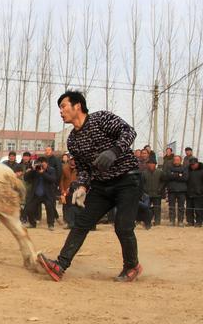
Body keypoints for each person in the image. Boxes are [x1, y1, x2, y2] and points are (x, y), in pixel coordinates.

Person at [38, 90, 143, 282]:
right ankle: (60, 265)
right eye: (59, 108)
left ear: (77, 105)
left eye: (63, 106)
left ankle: (132, 266)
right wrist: (83, 187)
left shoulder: (101, 118)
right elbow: (85, 168)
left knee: (123, 226)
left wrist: (114, 151)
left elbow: (129, 131)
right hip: (102, 185)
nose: (61, 112)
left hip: (128, 180)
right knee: (82, 222)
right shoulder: (73, 140)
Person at [24, 157, 57, 230]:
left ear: (46, 163)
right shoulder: (35, 170)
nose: (41, 165)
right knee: (29, 209)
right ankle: (32, 223)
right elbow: (26, 178)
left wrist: (43, 173)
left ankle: (51, 224)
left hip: (47, 194)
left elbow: (53, 180)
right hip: (36, 194)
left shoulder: (51, 170)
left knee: (50, 208)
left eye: (43, 164)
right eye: (40, 163)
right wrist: (30, 171)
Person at [162, 155, 188, 227]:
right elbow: (168, 176)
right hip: (171, 190)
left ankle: (180, 221)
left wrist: (173, 174)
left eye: (178, 160)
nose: (176, 161)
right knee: (171, 207)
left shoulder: (184, 168)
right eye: (175, 160)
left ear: (181, 160)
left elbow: (185, 178)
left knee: (181, 207)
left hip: (182, 190)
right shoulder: (169, 167)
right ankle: (172, 221)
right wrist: (179, 175)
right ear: (173, 160)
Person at [141, 155, 164, 226]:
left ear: (155, 164)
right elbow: (142, 183)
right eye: (149, 163)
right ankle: (147, 222)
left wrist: (160, 189)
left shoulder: (160, 172)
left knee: (157, 209)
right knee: (146, 209)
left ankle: (157, 222)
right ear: (147, 164)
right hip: (147, 195)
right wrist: (144, 191)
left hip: (157, 194)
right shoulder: (144, 173)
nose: (151, 165)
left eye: (152, 163)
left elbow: (163, 182)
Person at [59, 156, 79, 229]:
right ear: (69, 160)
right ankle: (67, 221)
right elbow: (61, 180)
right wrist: (62, 190)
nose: (73, 162)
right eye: (72, 160)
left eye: (74, 160)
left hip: (76, 191)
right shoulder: (64, 168)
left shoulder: (79, 169)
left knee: (75, 207)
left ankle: (73, 221)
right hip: (66, 190)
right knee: (66, 206)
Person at [185, 158, 202, 227]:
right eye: (191, 164)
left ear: (197, 163)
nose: (192, 166)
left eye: (194, 164)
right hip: (189, 193)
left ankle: (199, 222)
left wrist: (201, 190)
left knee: (199, 209)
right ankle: (190, 222)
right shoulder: (187, 170)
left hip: (199, 194)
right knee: (189, 209)